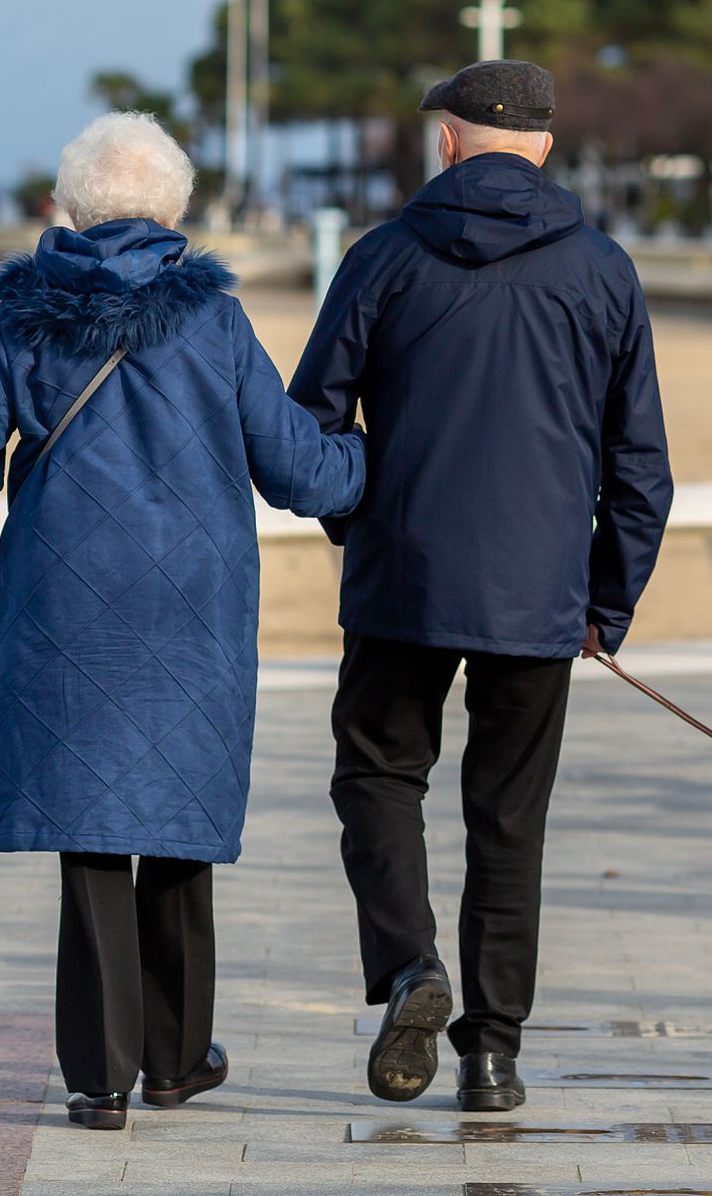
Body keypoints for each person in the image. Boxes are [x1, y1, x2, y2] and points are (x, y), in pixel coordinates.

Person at [0, 112, 367, 1130]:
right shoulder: (213, 321)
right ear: (175, 213)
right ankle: (172, 1058)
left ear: (64, 210)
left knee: (91, 833)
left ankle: (97, 1073)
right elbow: (298, 469)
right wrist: (380, 463)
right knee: (176, 823)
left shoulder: (19, 321)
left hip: (62, 603)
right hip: (191, 606)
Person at [287, 60, 674, 1113]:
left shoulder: (381, 258)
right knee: (508, 819)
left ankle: (411, 965)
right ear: (544, 147)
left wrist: (356, 517)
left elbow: (307, 423)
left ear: (449, 142)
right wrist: (609, 600)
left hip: (401, 580)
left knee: (377, 778)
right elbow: (640, 462)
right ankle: (491, 1052)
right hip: (538, 595)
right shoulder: (601, 268)